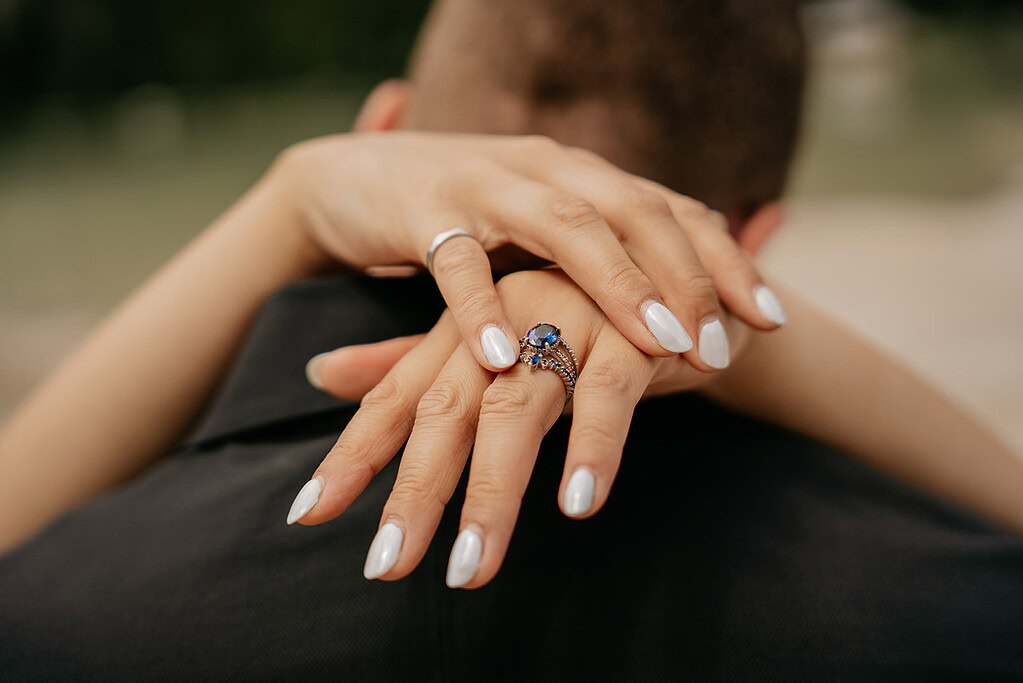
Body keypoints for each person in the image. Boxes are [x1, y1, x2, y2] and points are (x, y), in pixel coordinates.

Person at [1, 0, 1021, 679]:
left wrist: (294, 197)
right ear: (757, 234)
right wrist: (721, 320)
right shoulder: (967, 604)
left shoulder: (44, 607)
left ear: (383, 131)